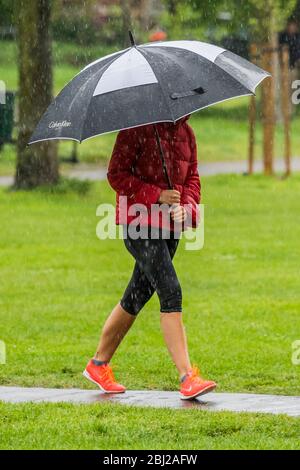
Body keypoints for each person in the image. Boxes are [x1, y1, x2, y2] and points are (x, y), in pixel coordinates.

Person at [83, 115, 217, 400]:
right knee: (171, 292)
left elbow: (192, 179)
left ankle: (98, 364)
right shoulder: (135, 128)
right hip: (139, 224)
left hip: (171, 228)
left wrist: (188, 209)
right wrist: (156, 195)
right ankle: (187, 376)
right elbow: (116, 175)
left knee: (136, 295)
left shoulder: (187, 133)